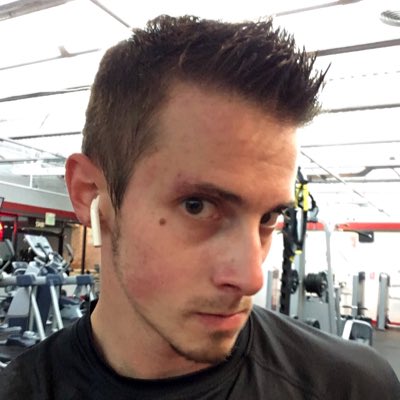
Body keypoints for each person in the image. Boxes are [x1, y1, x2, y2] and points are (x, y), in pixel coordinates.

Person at [1, 15, 399, 400]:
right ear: (90, 194)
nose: (251, 278)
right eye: (198, 206)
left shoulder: (353, 388)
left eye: (268, 218)